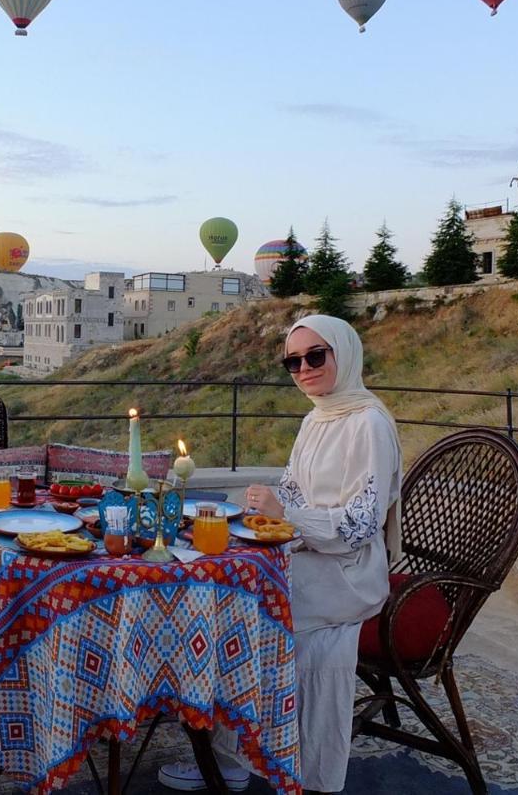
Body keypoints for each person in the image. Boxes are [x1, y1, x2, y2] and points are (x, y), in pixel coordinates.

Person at [159, 314, 401, 794]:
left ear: (344, 354)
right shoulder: (319, 415)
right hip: (311, 551)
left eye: (316, 356)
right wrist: (263, 510)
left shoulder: (367, 422)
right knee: (224, 589)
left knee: (244, 611)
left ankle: (236, 758)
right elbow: (291, 490)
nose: (304, 369)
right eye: (293, 361)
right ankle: (230, 740)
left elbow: (361, 524)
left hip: (349, 570)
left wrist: (287, 518)